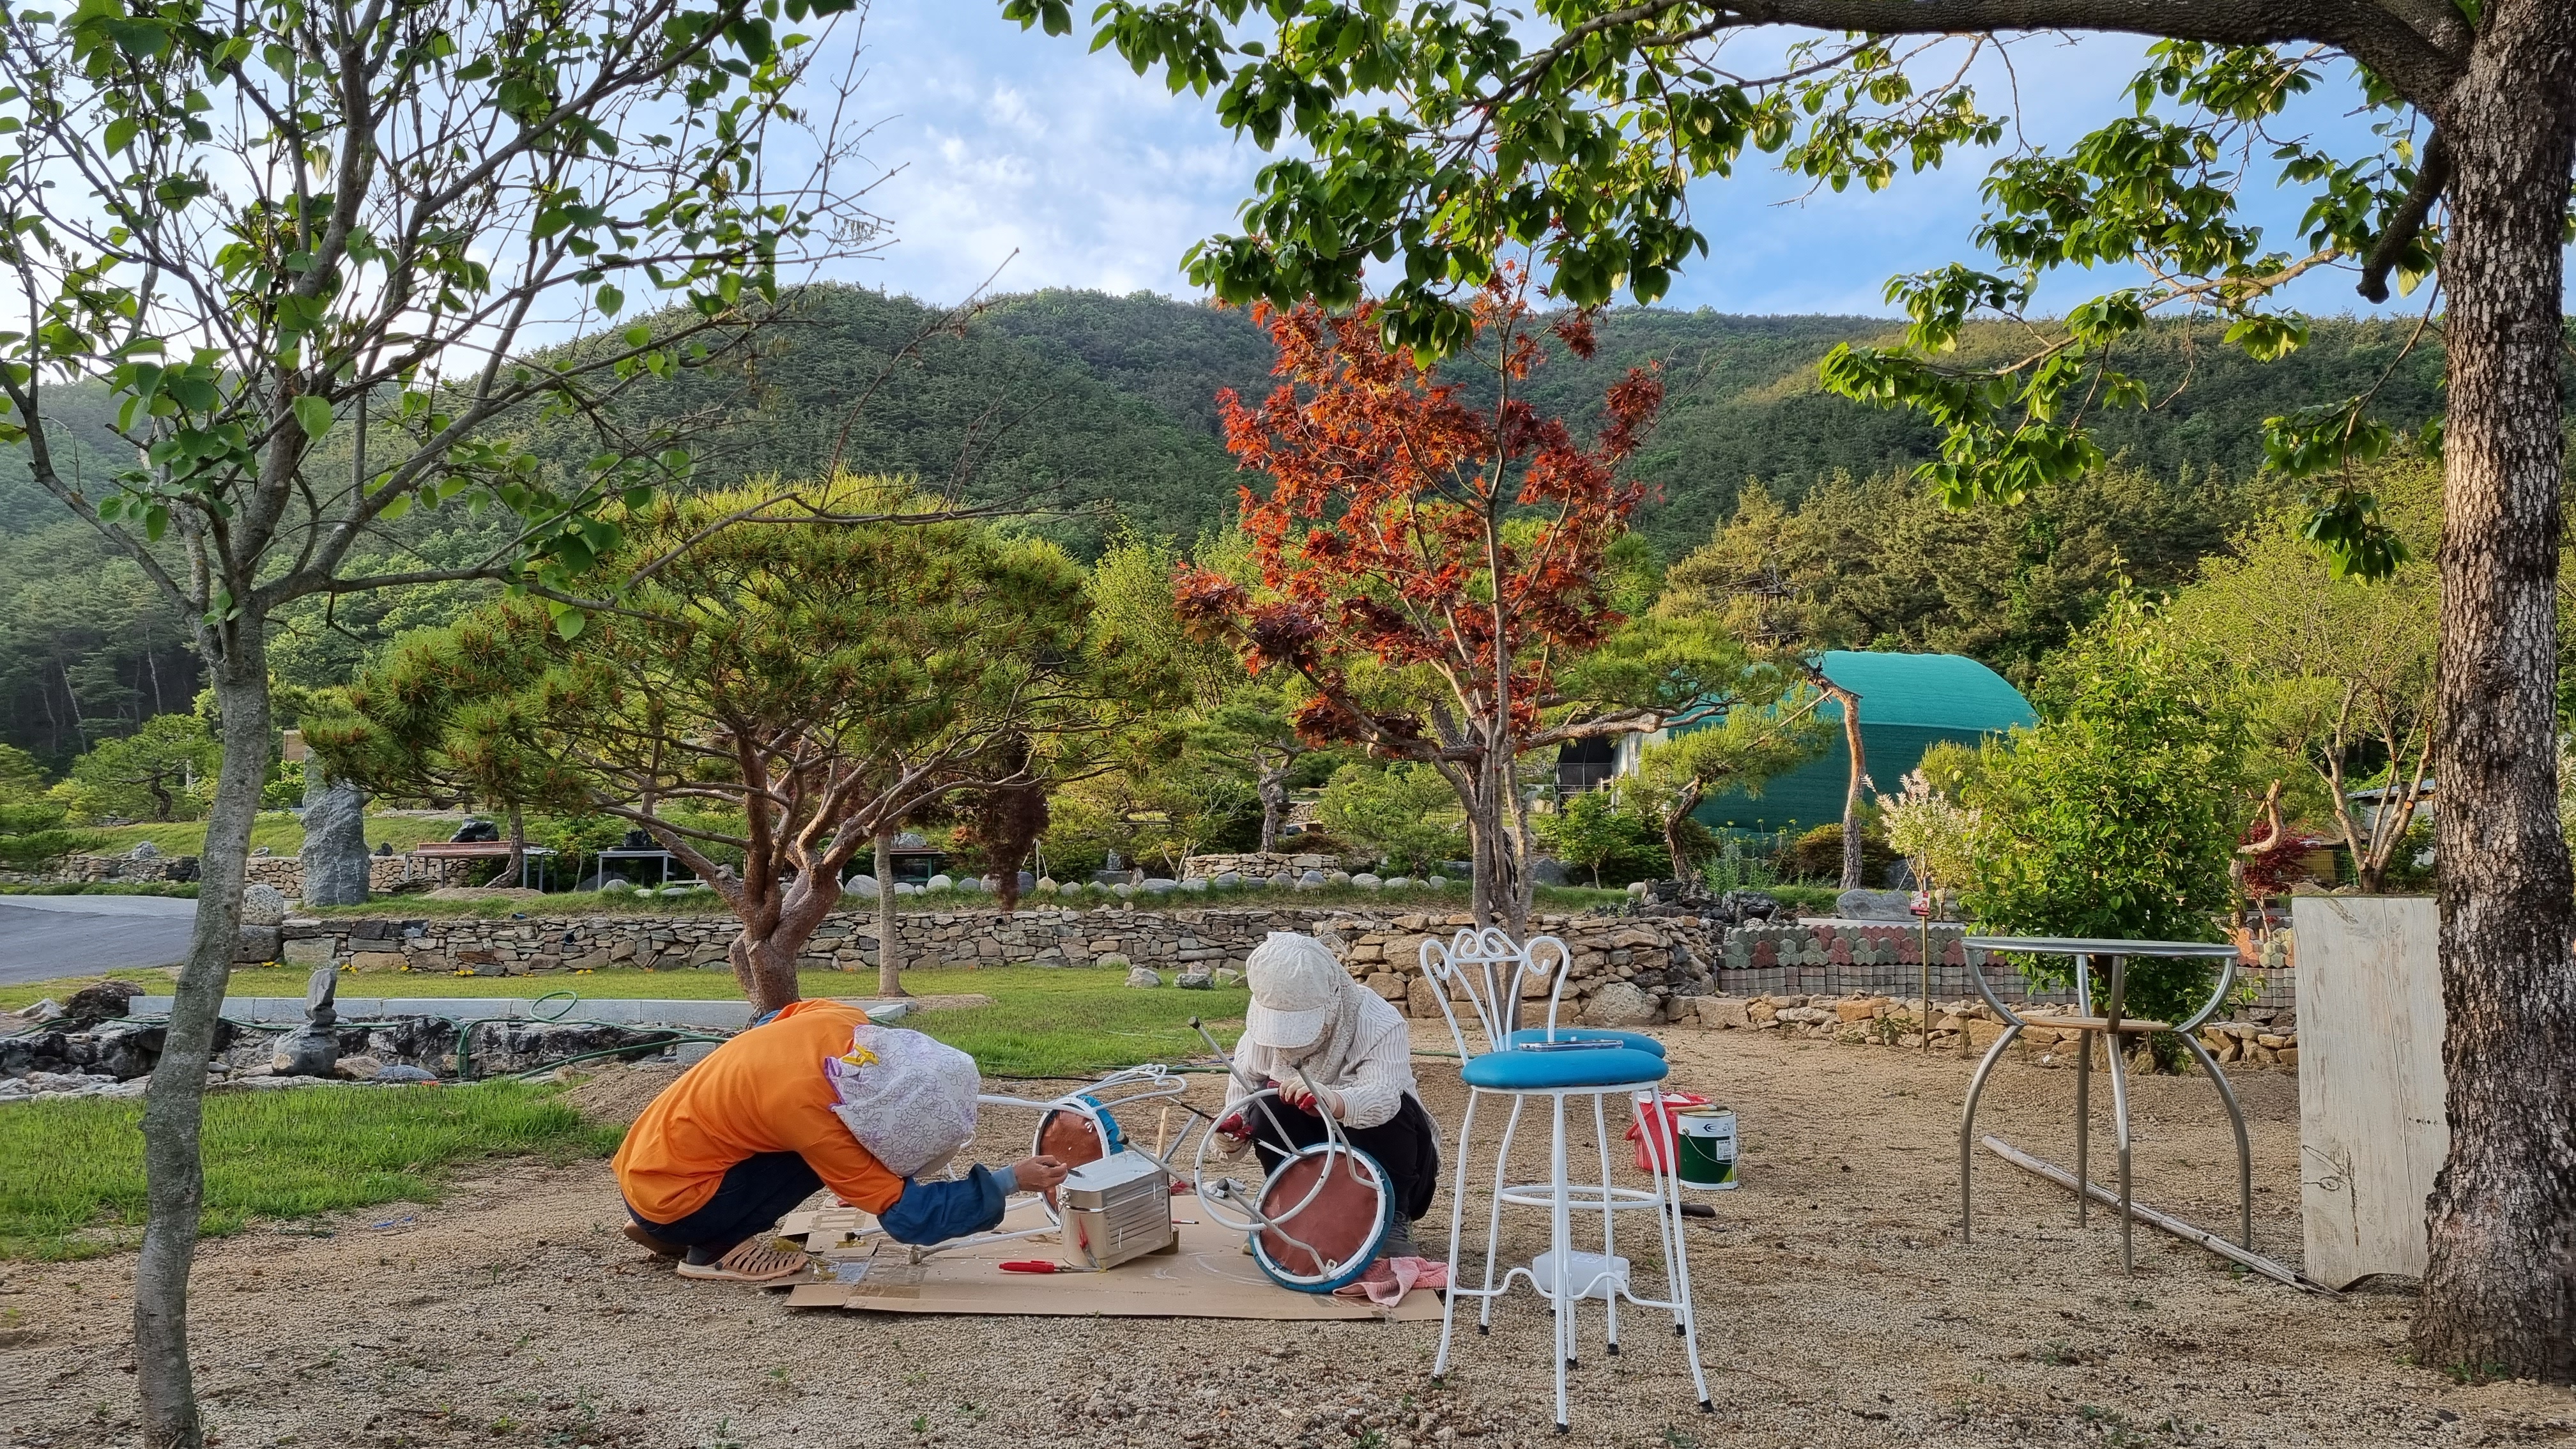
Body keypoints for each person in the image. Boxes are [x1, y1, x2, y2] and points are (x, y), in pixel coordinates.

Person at [615, 998, 1068, 1282]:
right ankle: (709, 1247)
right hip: (679, 1202)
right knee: (810, 1157)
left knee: (773, 1132)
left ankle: (670, 1220)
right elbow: (910, 1216)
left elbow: (772, 1019)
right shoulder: (817, 1119)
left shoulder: (843, 1019)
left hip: (646, 1167)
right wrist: (1010, 1180)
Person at [1213, 931, 1441, 1257]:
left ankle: (1391, 1218)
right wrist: (1231, 1132)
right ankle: (1289, 1209)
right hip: (1315, 1168)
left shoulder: (1378, 1022)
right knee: (1267, 1104)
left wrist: (1335, 1101)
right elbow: (1242, 1093)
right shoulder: (1259, 1036)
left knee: (1396, 1108)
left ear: (1333, 1000)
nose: (1288, 1040)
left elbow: (1384, 1097)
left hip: (1388, 1162)